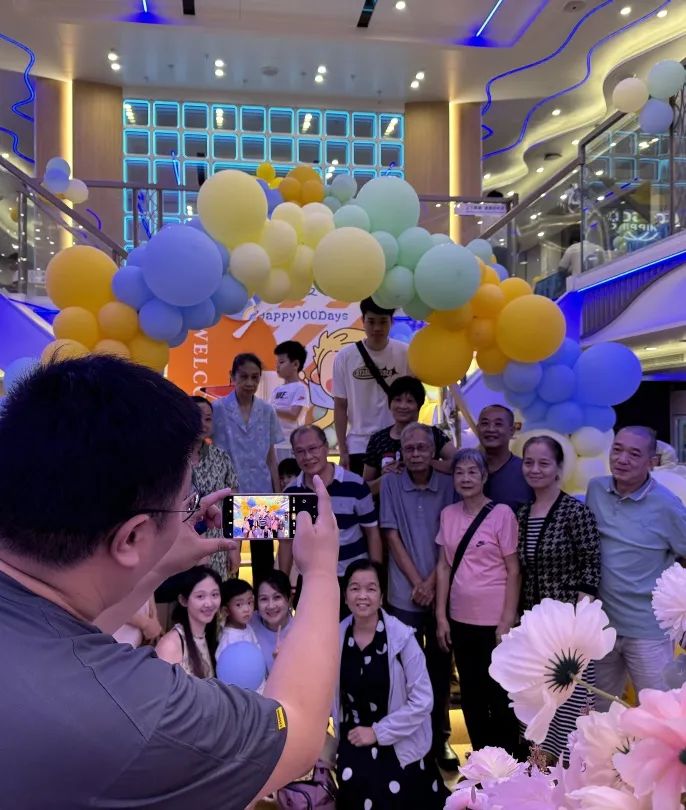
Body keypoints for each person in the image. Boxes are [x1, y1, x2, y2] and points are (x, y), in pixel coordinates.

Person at [0, 355, 341, 809]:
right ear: (131, 537)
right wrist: (320, 573)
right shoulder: (141, 709)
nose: (189, 513)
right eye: (184, 502)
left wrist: (158, 564)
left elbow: (69, 632)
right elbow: (296, 732)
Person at [335, 560, 449, 809]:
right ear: (345, 596)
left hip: (399, 737)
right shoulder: (335, 638)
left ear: (382, 596)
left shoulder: (403, 638)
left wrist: (378, 732)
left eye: (371, 588)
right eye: (354, 588)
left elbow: (423, 701)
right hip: (354, 736)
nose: (362, 596)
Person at [586, 426, 686, 708]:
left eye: (634, 454)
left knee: (660, 713)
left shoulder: (667, 506)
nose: (622, 459)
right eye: (617, 449)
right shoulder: (596, 489)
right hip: (601, 627)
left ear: (651, 462)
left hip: (648, 631)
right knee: (599, 714)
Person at [379, 422, 458, 772]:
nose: (415, 454)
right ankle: (409, 738)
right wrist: (418, 583)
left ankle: (440, 739)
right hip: (403, 593)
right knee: (404, 672)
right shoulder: (391, 483)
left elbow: (451, 537)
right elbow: (391, 536)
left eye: (422, 448)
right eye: (408, 449)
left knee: (440, 670)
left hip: (443, 592)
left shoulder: (450, 484)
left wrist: (432, 584)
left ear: (433, 451)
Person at [519, 436, 601, 761]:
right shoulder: (522, 514)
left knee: (571, 705)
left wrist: (578, 623)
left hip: (570, 631)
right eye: (529, 462)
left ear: (558, 468)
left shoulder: (575, 512)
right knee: (538, 703)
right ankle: (539, 776)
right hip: (533, 630)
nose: (535, 469)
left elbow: (591, 566)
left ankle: (571, 776)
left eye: (544, 463)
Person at [435, 448, 521, 755]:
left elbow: (514, 570)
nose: (466, 478)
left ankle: (507, 763)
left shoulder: (502, 514)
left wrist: (507, 620)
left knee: (500, 694)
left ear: (484, 477)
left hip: (495, 622)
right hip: (460, 619)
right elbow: (444, 567)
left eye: (473, 472)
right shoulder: (448, 514)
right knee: (471, 694)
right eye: (459, 472)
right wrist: (441, 616)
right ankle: (481, 761)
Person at [278, 425, 382, 607]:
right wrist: (282, 586)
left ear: (326, 447)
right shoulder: (290, 492)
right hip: (310, 580)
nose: (307, 456)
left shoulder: (356, 485)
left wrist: (376, 579)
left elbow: (372, 533)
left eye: (313, 448)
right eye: (300, 451)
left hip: (353, 580)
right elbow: (286, 543)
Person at [213, 353, 284, 585]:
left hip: (261, 490)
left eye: (255, 377)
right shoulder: (218, 409)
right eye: (243, 376)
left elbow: (271, 456)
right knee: (229, 558)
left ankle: (263, 604)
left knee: (263, 558)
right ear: (232, 376)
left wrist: (276, 492)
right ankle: (229, 604)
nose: (250, 383)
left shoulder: (267, 410)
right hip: (228, 492)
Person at [334, 298, 409, 475]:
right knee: (361, 492)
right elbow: (340, 406)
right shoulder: (345, 357)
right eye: (371, 321)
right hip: (358, 445)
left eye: (383, 322)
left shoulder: (405, 353)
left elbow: (413, 400)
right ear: (363, 320)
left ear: (391, 322)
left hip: (396, 441)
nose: (377, 328)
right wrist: (343, 450)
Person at [363, 376, 456, 496]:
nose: (403, 406)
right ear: (390, 404)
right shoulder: (377, 439)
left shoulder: (433, 434)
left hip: (428, 502)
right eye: (397, 400)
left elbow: (458, 463)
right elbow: (365, 489)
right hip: (388, 505)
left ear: (419, 405)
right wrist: (385, 478)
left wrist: (427, 462)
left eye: (410, 401)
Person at [190, 396, 240, 579]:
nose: (203, 424)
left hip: (217, 547)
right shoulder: (170, 459)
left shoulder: (221, 458)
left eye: (208, 419)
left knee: (216, 592)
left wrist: (234, 548)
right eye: (196, 417)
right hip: (180, 548)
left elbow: (234, 506)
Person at [156, 566, 222, 678]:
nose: (209, 603)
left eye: (214, 595)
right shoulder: (171, 645)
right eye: (200, 596)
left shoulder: (209, 637)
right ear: (183, 600)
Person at [476, 404, 533, 513]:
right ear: (477, 428)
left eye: (498, 424)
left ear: (512, 430)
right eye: (485, 423)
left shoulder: (526, 472)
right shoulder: (466, 470)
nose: (491, 429)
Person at [216, 579, 266, 691]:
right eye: (239, 605)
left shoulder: (248, 627)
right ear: (226, 610)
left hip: (261, 690)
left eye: (249, 602)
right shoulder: (227, 639)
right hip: (242, 695)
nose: (247, 609)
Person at [272, 340, 310, 460]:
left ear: (295, 364)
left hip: (290, 444)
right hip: (274, 444)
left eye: (281, 362)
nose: (277, 366)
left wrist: (270, 409)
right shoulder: (276, 390)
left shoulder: (301, 388)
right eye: (277, 362)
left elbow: (294, 414)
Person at [252, 571, 294, 676]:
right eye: (264, 599)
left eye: (277, 597)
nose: (271, 606)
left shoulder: (300, 631)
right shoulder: (248, 624)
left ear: (289, 600)